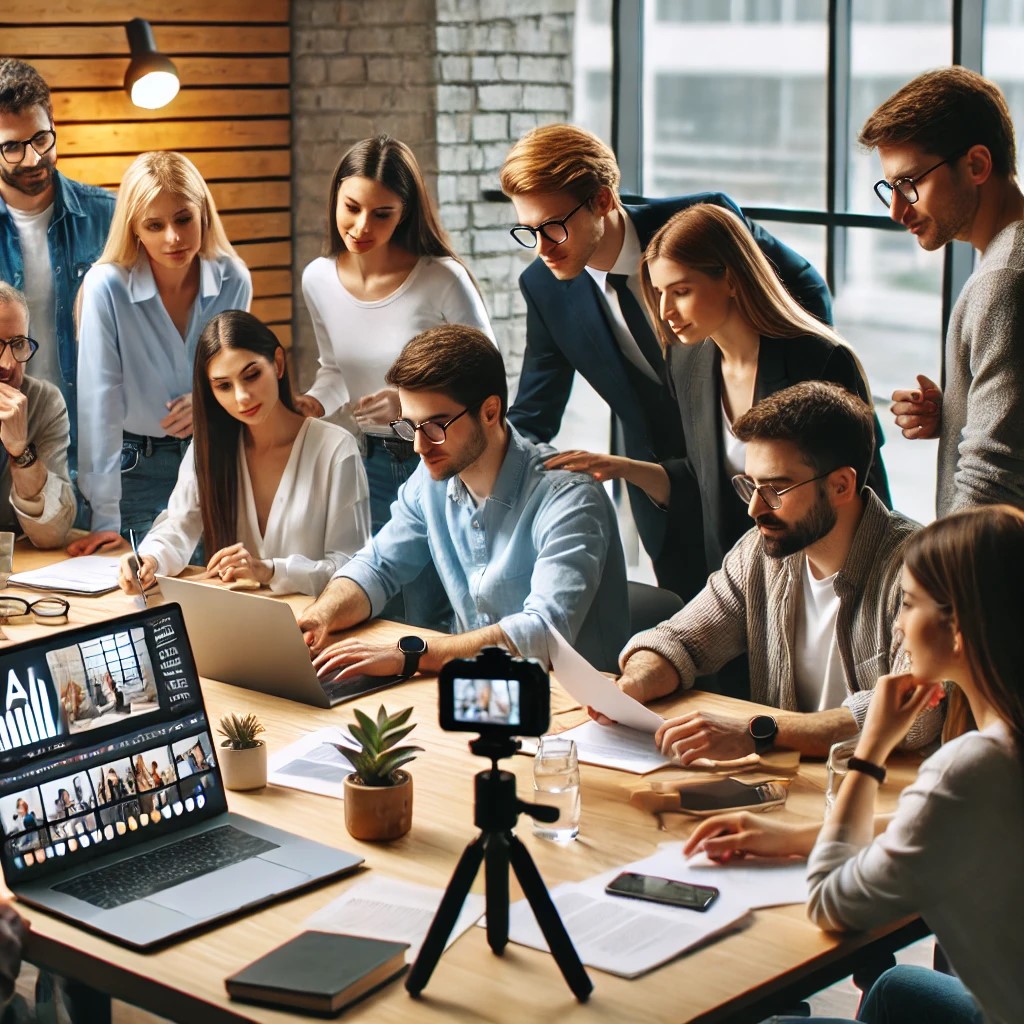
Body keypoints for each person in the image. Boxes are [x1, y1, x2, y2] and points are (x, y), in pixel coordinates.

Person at [696, 506, 1023, 1024]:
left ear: (957, 627)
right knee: (896, 987)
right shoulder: (1000, 753)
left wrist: (868, 753)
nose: (896, 626)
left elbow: (830, 902)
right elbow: (931, 825)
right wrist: (790, 837)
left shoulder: (973, 765)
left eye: (908, 605)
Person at [500, 123, 833, 599]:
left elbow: (803, 291)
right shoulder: (543, 286)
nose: (542, 247)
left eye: (553, 227)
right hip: (666, 496)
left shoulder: (702, 221)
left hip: (774, 477)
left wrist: (782, 410)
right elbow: (535, 411)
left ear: (602, 200)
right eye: (527, 231)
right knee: (700, 643)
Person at [546, 202, 890, 589]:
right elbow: (698, 480)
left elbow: (866, 492)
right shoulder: (685, 360)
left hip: (822, 579)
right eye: (659, 293)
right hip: (736, 582)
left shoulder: (820, 359)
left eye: (681, 291)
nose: (665, 311)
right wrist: (623, 468)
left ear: (730, 279)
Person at [606, 382, 941, 762]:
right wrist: (631, 687)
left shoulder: (922, 569)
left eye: (774, 489)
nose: (753, 509)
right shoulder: (760, 555)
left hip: (877, 797)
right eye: (750, 484)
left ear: (841, 485)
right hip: (784, 787)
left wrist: (760, 733)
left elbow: (918, 712)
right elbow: (680, 641)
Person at [298, 323, 630, 678]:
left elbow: (543, 633)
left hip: (577, 708)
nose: (419, 446)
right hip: (479, 692)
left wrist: (411, 653)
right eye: (410, 426)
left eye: (436, 426)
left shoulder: (570, 499)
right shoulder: (428, 482)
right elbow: (377, 568)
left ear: (489, 412)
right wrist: (319, 617)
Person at [298, 134, 494, 534]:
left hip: (442, 460)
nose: (362, 226)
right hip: (370, 459)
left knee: (437, 595)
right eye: (352, 207)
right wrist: (314, 403)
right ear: (336, 196)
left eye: (382, 213)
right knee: (387, 593)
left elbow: (487, 377)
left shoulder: (441, 279)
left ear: (404, 213)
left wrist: (407, 405)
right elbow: (335, 370)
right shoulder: (317, 278)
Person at [861, 67, 1024, 517]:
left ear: (976, 165)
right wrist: (957, 413)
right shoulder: (1006, 261)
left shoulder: (1004, 278)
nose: (897, 211)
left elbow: (990, 481)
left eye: (909, 184)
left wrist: (936, 582)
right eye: (890, 188)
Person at [117, 310, 369, 597]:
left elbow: (352, 569)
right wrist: (149, 560)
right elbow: (179, 526)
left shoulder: (336, 449)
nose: (242, 397)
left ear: (277, 363)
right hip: (233, 621)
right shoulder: (208, 448)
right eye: (224, 386)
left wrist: (270, 570)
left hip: (316, 626)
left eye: (251, 375)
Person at [72, 151, 252, 551]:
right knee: (143, 602)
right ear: (135, 229)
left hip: (212, 459)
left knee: (214, 597)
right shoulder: (106, 286)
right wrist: (103, 515)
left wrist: (207, 402)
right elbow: (98, 403)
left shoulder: (232, 278)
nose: (173, 237)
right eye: (155, 225)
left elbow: (240, 379)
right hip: (135, 469)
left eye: (184, 219)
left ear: (203, 214)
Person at [0, 59, 115, 479]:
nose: (33, 158)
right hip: (11, 445)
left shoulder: (111, 217)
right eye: (12, 146)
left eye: (41, 139)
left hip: (102, 449)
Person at [0, 283, 74, 547]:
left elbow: (53, 533)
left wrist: (21, 452)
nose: (8, 364)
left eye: (18, 344)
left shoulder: (44, 401)